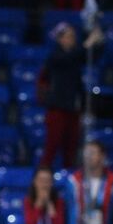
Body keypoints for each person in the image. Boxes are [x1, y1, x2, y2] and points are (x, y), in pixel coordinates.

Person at [39, 21, 98, 169]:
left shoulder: (75, 58)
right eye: (69, 36)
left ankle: (69, 180)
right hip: (57, 109)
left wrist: (98, 40)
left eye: (73, 36)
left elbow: (90, 56)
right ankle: (43, 175)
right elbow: (72, 56)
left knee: (71, 149)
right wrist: (87, 43)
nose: (72, 40)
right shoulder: (55, 56)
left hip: (73, 108)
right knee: (51, 147)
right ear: (60, 39)